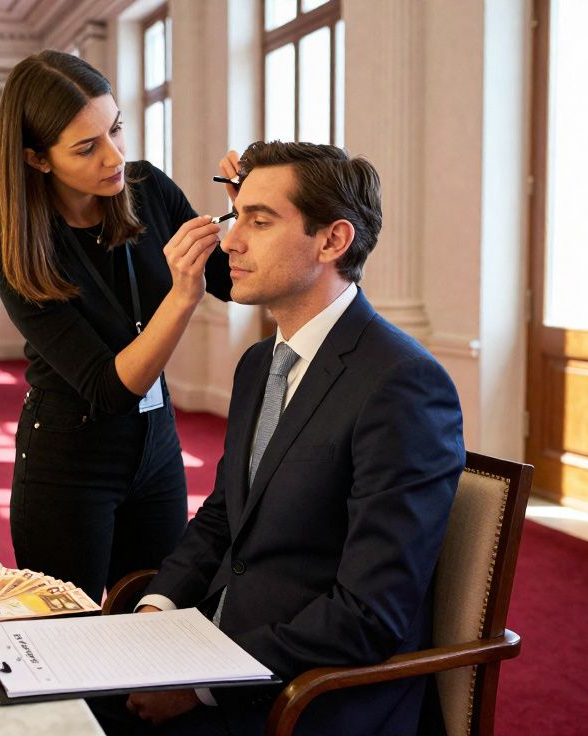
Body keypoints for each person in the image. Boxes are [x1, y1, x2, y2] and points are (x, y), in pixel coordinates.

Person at [103, 141, 465, 735]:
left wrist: (200, 683)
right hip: (218, 650)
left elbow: (369, 615)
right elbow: (223, 516)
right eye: (236, 216)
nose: (229, 241)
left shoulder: (402, 384)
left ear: (332, 241)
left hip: (304, 698)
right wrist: (155, 612)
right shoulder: (258, 364)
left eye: (259, 220)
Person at [0, 50, 235, 603]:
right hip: (69, 462)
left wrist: (251, 213)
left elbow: (231, 281)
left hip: (157, 449)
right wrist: (182, 296)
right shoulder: (18, 250)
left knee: (154, 615)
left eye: (116, 128)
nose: (115, 156)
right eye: (87, 147)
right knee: (67, 633)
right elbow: (111, 390)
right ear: (37, 159)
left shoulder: (149, 190)